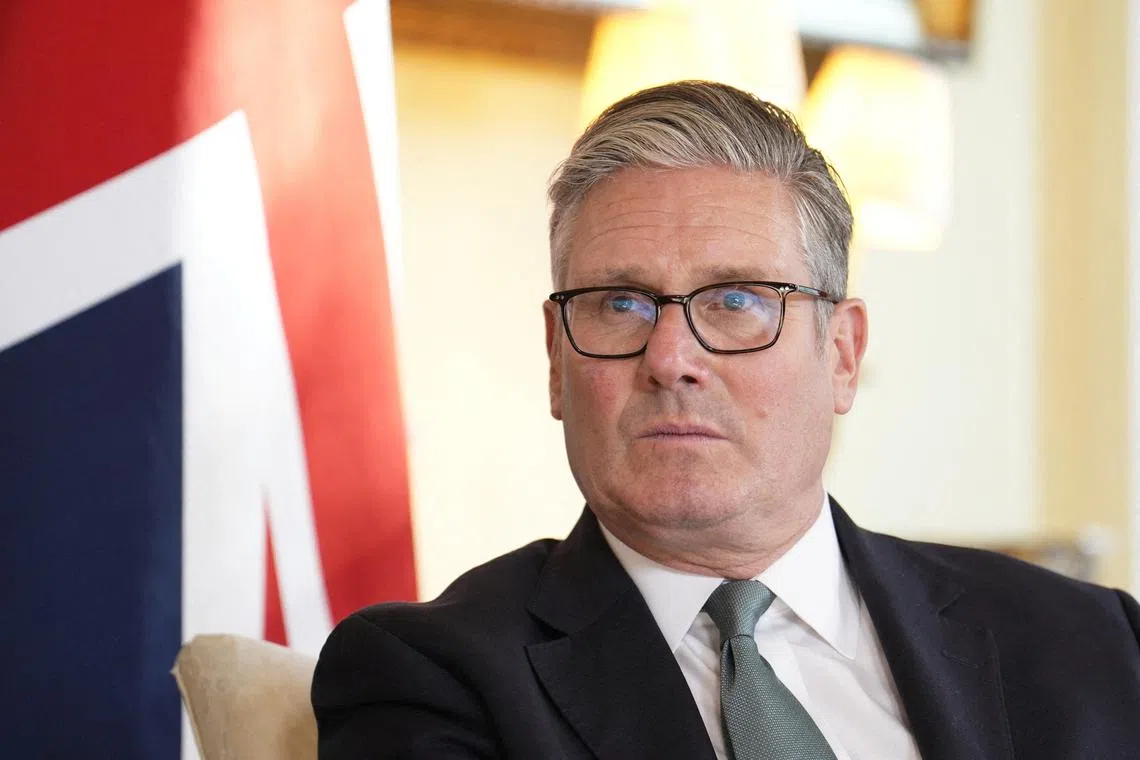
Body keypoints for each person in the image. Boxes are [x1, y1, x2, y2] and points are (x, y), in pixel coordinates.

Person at [311, 81, 1140, 760]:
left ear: (843, 354)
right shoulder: (432, 676)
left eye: (738, 300)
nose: (670, 357)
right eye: (619, 304)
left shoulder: (1091, 643)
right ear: (558, 361)